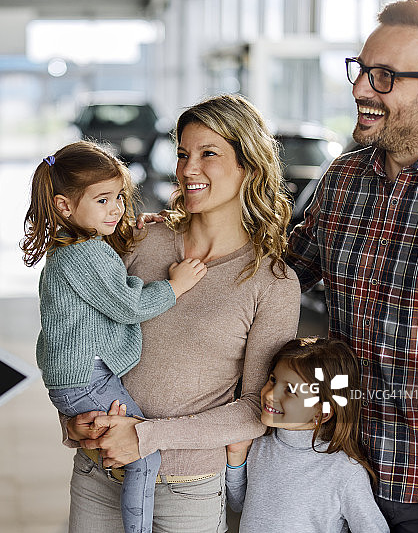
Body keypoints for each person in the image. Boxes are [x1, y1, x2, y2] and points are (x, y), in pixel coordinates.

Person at [287, 1, 418, 531]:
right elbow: (278, 280)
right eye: (360, 69)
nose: (360, 89)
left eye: (384, 77)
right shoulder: (344, 178)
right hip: (340, 469)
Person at [63, 94, 302, 533]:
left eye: (208, 154)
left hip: (185, 490)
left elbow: (257, 410)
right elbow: (75, 333)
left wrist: (144, 436)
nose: (188, 169)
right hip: (99, 474)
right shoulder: (141, 241)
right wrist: (73, 420)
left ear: (247, 165)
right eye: (182, 154)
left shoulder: (272, 282)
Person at [22, 141, 207, 533]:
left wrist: (134, 228)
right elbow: (128, 305)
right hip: (88, 380)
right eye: (103, 200)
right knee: (142, 455)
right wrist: (176, 285)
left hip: (78, 379)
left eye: (120, 197)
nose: (117, 208)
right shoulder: (84, 254)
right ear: (64, 207)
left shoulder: (74, 247)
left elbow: (106, 277)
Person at [224, 337, 388, 532]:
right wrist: (236, 457)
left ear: (321, 413)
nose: (270, 395)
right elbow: (239, 504)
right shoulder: (260, 443)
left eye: (290, 390)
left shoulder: (344, 471)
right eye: (273, 379)